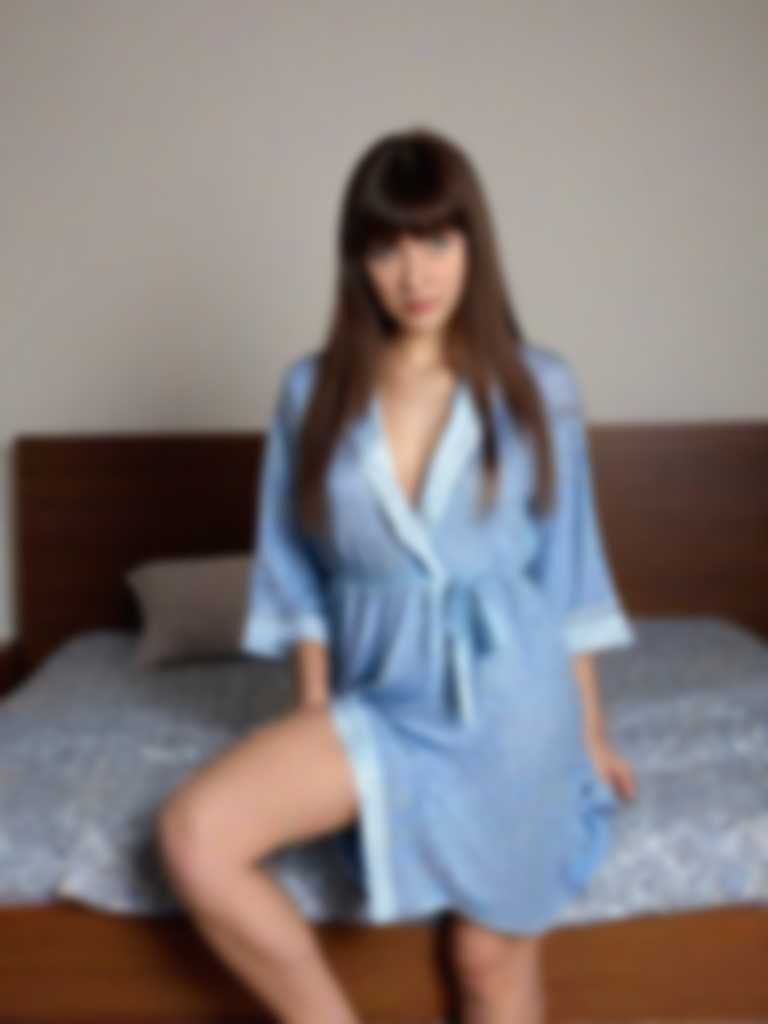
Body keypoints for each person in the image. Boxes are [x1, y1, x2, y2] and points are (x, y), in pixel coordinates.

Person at [156, 126, 638, 1024]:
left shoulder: (539, 386)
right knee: (195, 834)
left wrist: (591, 732)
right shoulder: (311, 392)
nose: (415, 273)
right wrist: (313, 712)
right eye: (387, 247)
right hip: (376, 700)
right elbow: (296, 573)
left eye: (437, 241)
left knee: (485, 960)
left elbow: (570, 574)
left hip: (512, 705)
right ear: (358, 261)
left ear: (473, 246)